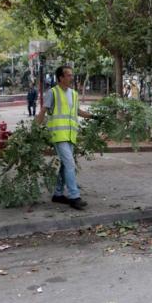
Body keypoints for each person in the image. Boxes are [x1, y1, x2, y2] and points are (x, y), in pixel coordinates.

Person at [35, 65, 97, 210]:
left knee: (64, 165)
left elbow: (77, 111)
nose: (71, 77)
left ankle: (57, 194)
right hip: (58, 135)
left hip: (71, 135)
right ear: (60, 78)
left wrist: (94, 116)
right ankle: (74, 196)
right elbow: (43, 111)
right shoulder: (53, 93)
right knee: (70, 164)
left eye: (71, 75)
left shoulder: (74, 94)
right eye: (68, 75)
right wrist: (33, 130)